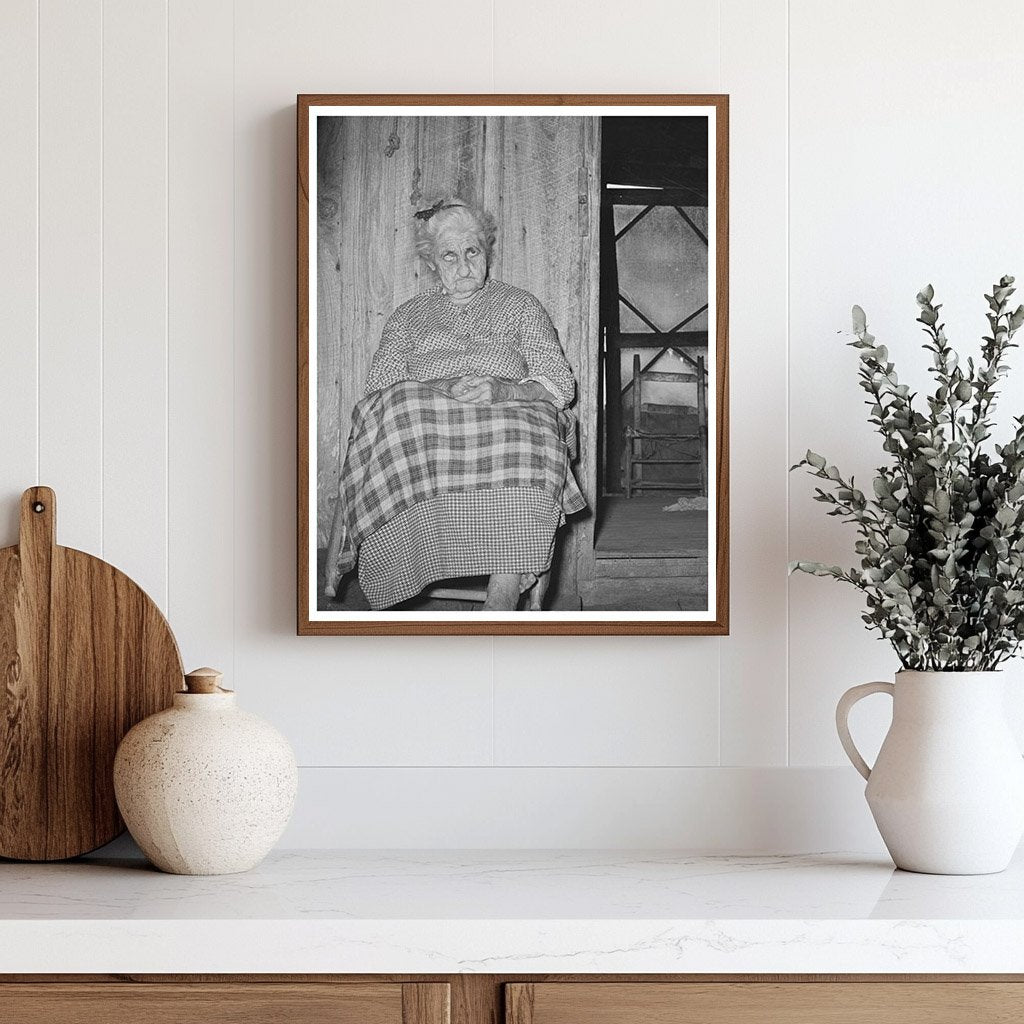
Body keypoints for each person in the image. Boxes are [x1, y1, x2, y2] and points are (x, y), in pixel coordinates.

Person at [328, 197, 584, 612]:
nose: (464, 266)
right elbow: (377, 390)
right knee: (398, 411)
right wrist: (441, 386)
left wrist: (505, 391)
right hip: (427, 421)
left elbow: (559, 381)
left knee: (529, 433)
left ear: (487, 254)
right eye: (450, 255)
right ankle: (401, 571)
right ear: (432, 263)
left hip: (507, 414)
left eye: (472, 252)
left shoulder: (521, 305)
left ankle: (502, 594)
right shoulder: (408, 316)